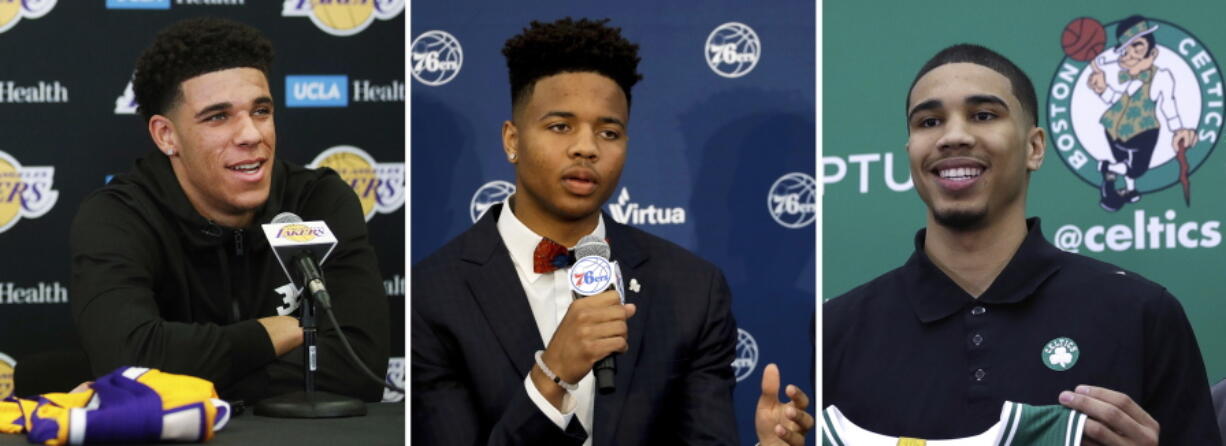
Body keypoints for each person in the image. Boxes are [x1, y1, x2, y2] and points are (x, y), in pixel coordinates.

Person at [412, 17, 812, 445]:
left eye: (609, 132)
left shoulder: (693, 290)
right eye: (560, 126)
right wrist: (552, 375)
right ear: (512, 140)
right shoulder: (435, 294)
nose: (587, 147)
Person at [823, 43, 1221, 445]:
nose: (953, 136)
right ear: (911, 152)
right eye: (928, 122)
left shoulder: (1141, 312)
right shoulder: (833, 330)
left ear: (1034, 147)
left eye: (983, 115)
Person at [69, 17, 389, 403]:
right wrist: (275, 332)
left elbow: (361, 366)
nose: (251, 135)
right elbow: (128, 362)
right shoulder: (116, 216)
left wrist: (198, 383)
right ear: (166, 135)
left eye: (261, 111)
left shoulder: (319, 201)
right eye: (218, 117)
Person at [1087, 15, 1198, 211]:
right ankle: (1120, 180)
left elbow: (1168, 105)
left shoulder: (1161, 77)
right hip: (1112, 128)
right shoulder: (1127, 79)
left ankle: (1111, 172)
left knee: (1137, 168)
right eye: (1125, 52)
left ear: (1153, 53)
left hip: (1142, 131)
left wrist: (1178, 129)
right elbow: (1117, 101)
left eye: (1137, 47)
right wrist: (1102, 89)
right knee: (1126, 164)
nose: (1130, 56)